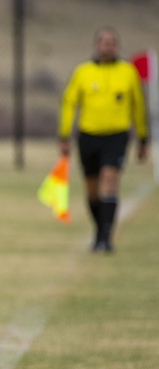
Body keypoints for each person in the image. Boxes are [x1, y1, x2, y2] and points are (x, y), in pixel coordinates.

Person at [57, 26, 149, 253]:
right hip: (89, 135)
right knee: (91, 189)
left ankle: (106, 238)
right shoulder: (83, 72)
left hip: (116, 136)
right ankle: (100, 231)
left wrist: (143, 137)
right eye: (104, 42)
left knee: (110, 181)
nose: (107, 46)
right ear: (96, 45)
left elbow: (137, 106)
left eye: (112, 43)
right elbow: (69, 104)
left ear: (117, 46)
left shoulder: (127, 72)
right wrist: (64, 135)